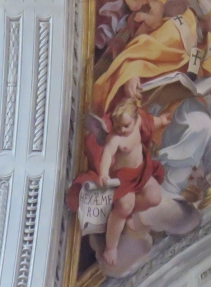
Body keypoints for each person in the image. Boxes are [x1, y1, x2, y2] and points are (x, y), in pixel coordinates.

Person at [67, 98, 169, 266]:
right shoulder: (116, 138)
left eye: (126, 126)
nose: (121, 129)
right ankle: (111, 247)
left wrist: (161, 121)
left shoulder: (139, 121)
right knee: (124, 206)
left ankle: (130, 213)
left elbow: (150, 122)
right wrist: (104, 173)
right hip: (123, 180)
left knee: (155, 197)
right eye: (118, 126)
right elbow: (107, 154)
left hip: (141, 172)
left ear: (135, 119)